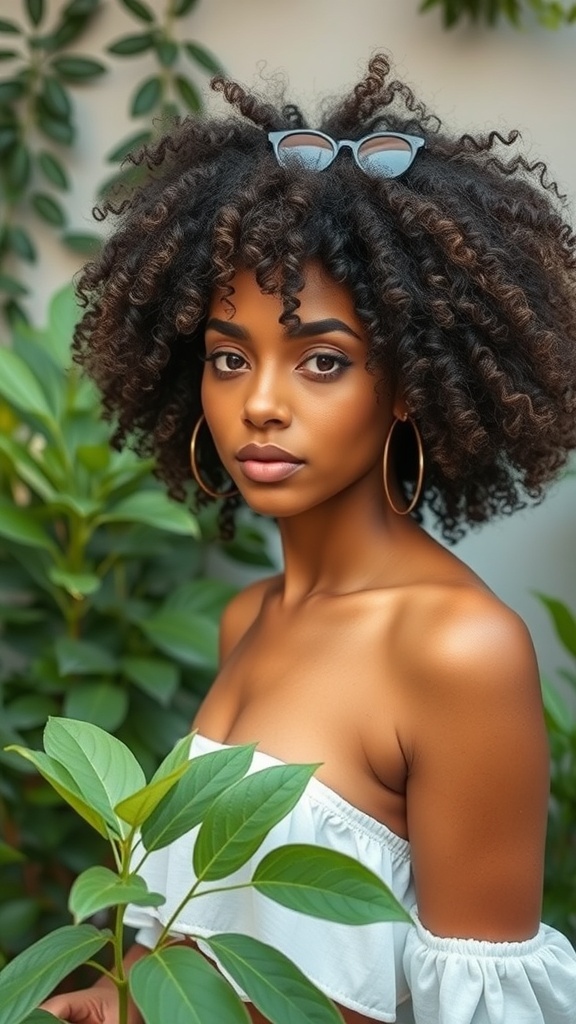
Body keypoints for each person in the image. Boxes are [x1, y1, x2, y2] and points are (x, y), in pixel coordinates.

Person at [41, 53, 576, 1024]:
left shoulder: (457, 652)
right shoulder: (249, 617)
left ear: (410, 382)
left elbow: (478, 1009)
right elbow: (216, 949)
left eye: (322, 360)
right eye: (228, 357)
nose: (262, 404)